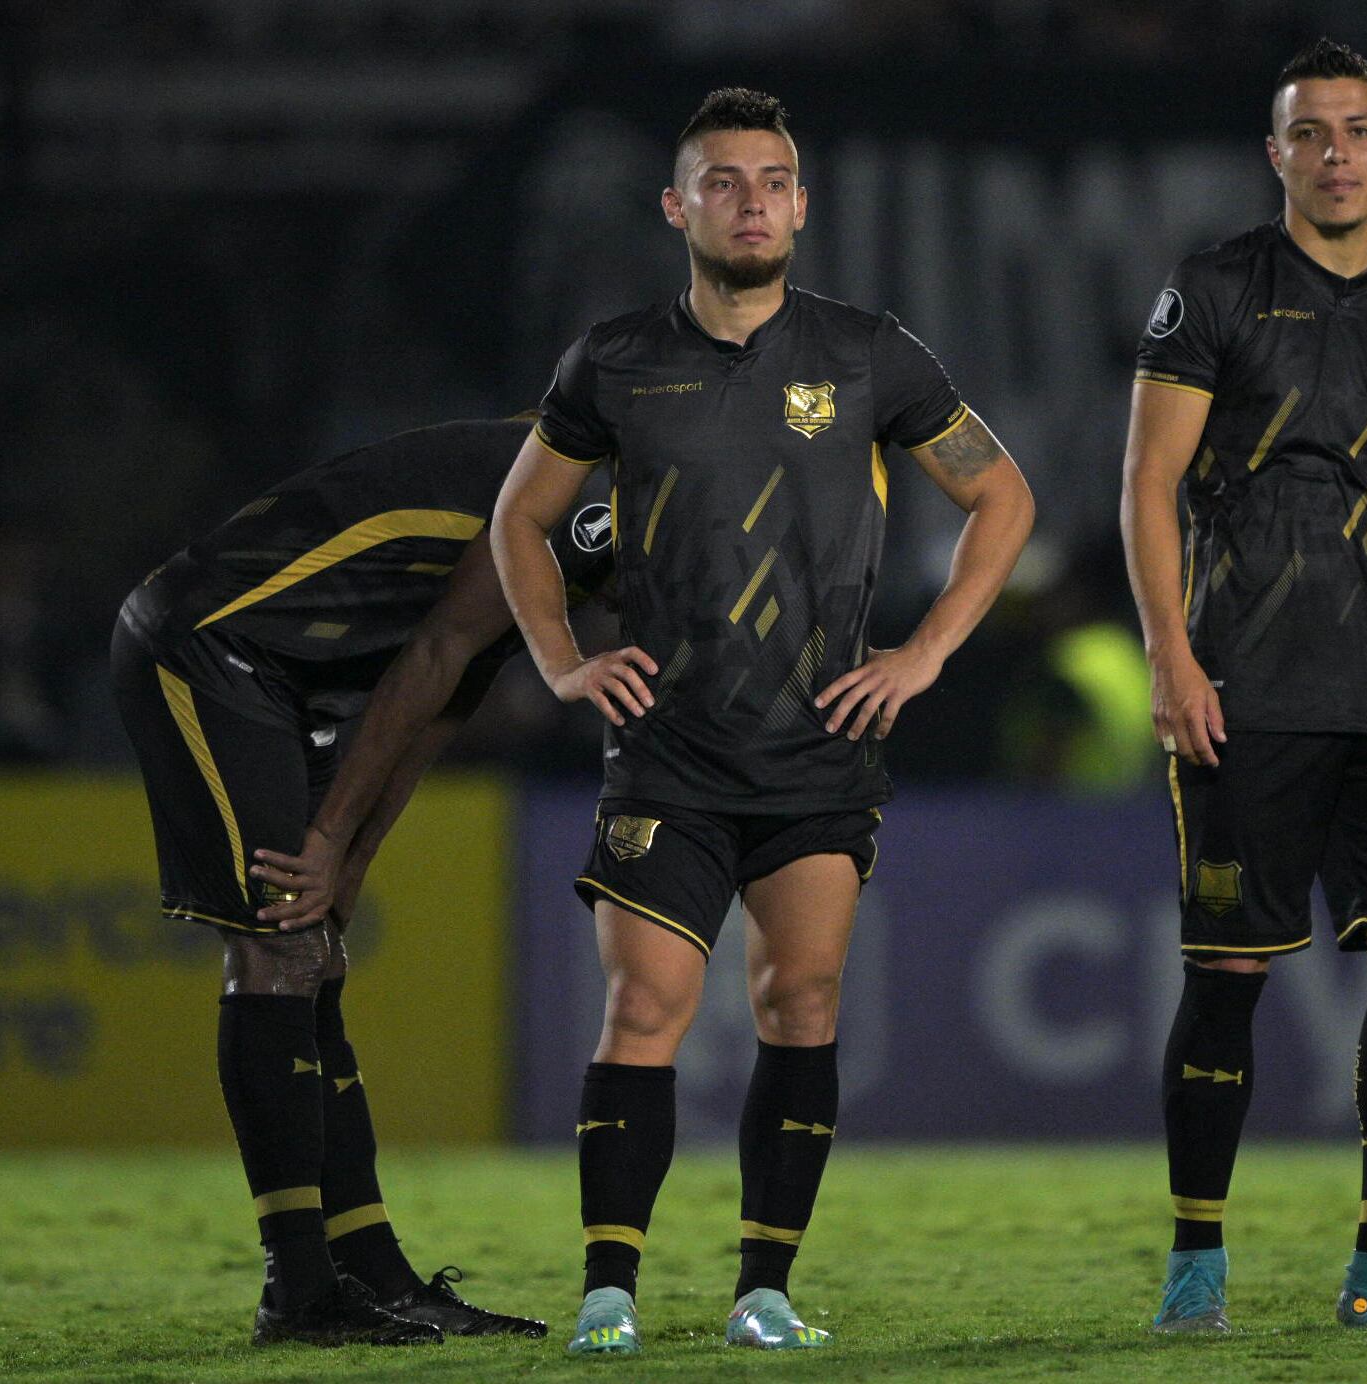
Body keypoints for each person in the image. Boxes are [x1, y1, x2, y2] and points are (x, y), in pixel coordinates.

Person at [493, 87, 1034, 1358]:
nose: (752, 201)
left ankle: (763, 1288)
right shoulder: (612, 362)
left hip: (815, 751)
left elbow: (1000, 494)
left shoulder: (867, 354)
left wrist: (925, 652)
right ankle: (609, 1290)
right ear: (677, 207)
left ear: (802, 204)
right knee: (644, 1013)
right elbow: (522, 519)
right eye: (724, 181)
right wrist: (564, 663)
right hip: (667, 753)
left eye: (773, 180)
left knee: (804, 1002)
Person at [1120, 38, 1367, 1333]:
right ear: (1277, 155)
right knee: (1229, 975)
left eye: (1359, 131)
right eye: (1313, 133)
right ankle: (1197, 1264)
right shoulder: (1216, 292)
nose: (1337, 154)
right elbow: (1147, 484)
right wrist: (1172, 656)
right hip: (1246, 691)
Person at [112, 416, 611, 1347]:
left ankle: (370, 1272)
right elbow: (432, 658)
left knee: (317, 951)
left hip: (286, 675)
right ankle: (296, 1289)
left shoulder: (603, 485)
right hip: (206, 644)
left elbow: (446, 692)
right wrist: (333, 836)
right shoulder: (584, 493)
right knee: (279, 944)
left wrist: (354, 857)